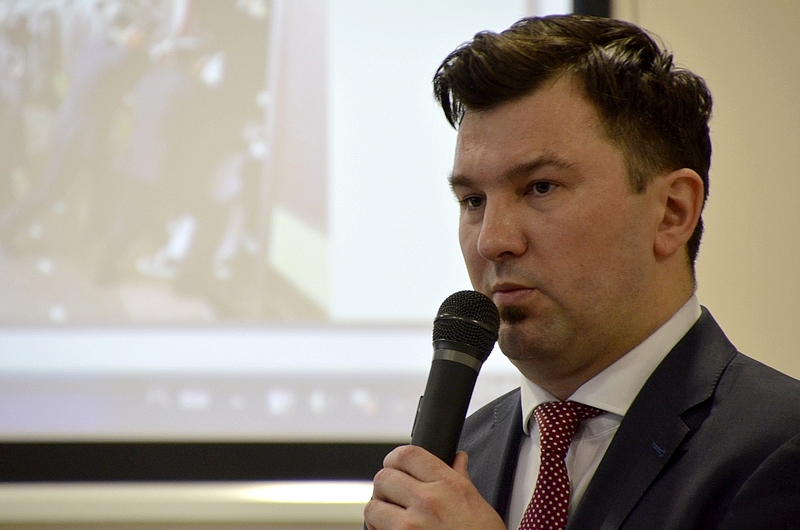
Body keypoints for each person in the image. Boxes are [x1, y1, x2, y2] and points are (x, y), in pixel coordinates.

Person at [363, 14, 800, 530]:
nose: (492, 241)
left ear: (671, 212)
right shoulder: (443, 474)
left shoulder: (780, 450)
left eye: (540, 187)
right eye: (473, 200)